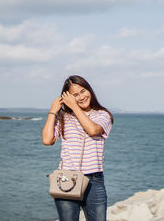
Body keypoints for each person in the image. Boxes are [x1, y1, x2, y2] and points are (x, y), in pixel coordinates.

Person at [42, 75, 114, 221]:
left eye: (83, 91)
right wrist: (53, 111)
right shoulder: (63, 117)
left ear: (89, 90)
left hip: (94, 180)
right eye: (75, 95)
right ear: (68, 97)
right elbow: (47, 140)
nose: (81, 97)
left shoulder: (103, 114)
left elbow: (93, 130)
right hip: (66, 178)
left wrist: (74, 106)